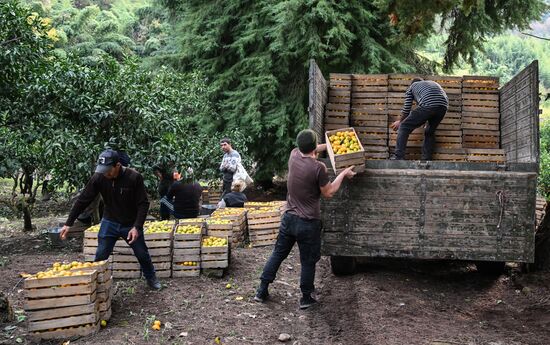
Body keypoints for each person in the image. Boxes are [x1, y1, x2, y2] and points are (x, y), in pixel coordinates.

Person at [254, 129, 356, 309]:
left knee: (278, 254)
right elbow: (329, 192)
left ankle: (262, 290)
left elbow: (311, 148)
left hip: (289, 219)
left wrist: (330, 145)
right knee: (308, 261)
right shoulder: (319, 168)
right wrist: (344, 173)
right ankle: (306, 297)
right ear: (314, 148)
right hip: (308, 223)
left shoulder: (293, 155)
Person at [60, 149, 160, 290]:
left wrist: (137, 226)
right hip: (110, 221)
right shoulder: (99, 177)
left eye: (108, 170)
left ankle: (151, 278)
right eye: (102, 170)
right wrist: (68, 223)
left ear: (117, 165)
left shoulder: (134, 177)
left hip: (129, 223)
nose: (105, 173)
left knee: (142, 253)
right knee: (101, 254)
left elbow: (143, 203)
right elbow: (83, 200)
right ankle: (96, 285)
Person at [390, 78, 449, 160]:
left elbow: (407, 109)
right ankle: (426, 159)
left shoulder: (412, 87)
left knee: (404, 127)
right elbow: (436, 101)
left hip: (429, 104)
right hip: (443, 106)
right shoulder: (433, 83)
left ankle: (398, 157)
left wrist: (400, 121)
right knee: (429, 132)